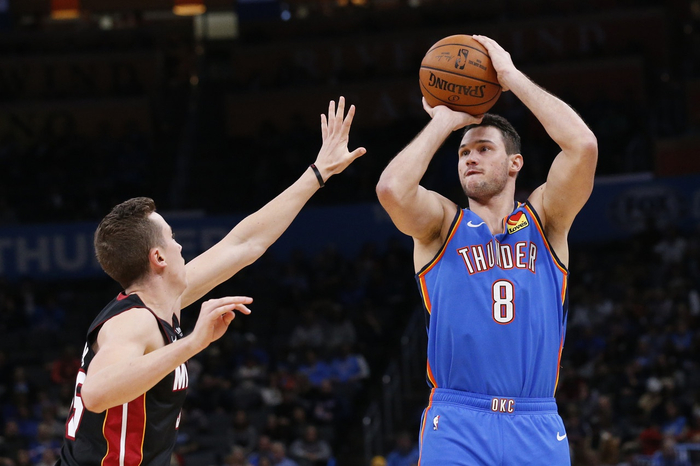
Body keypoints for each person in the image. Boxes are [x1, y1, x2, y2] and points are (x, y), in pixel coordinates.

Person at [57, 97, 365, 466]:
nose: (179, 245)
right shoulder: (133, 322)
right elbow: (96, 393)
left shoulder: (163, 302)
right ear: (158, 258)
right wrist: (193, 343)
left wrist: (318, 173)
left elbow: (245, 243)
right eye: (171, 238)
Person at [376, 35, 597, 465]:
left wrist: (512, 78)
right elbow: (392, 189)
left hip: (535, 420)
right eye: (463, 152)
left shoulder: (546, 220)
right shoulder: (442, 225)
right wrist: (443, 122)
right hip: (457, 419)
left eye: (483, 149)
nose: (469, 158)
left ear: (515, 164)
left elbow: (583, 146)